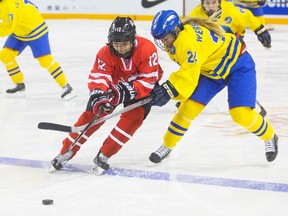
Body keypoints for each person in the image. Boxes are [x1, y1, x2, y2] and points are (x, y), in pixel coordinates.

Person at [148, 10, 278, 165]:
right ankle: (166, 146)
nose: (163, 42)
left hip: (238, 65)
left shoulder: (186, 43)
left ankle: (270, 136)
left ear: (176, 30)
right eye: (160, 39)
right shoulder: (178, 36)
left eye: (165, 37)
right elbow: (191, 69)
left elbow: (189, 74)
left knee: (241, 115)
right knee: (187, 108)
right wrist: (171, 89)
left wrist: (169, 89)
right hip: (212, 72)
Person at [50, 16, 162, 174]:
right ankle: (65, 151)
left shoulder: (147, 48)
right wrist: (100, 95)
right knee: (91, 116)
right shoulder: (105, 53)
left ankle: (104, 155)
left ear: (132, 39)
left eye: (124, 43)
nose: (120, 48)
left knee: (133, 119)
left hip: (139, 89)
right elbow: (99, 77)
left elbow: (148, 79)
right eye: (116, 43)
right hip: (113, 86)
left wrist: (126, 91)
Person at [0, 0, 76, 100]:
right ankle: (19, 84)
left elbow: (8, 28)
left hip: (36, 31)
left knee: (45, 60)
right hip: (20, 30)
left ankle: (66, 86)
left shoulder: (8, 6)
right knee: (6, 55)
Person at [190, 0, 271, 48]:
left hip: (234, 40)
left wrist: (260, 30)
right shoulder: (195, 15)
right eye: (207, 3)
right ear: (202, 4)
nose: (211, 6)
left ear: (219, 2)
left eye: (214, 2)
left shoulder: (230, 9)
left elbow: (247, 15)